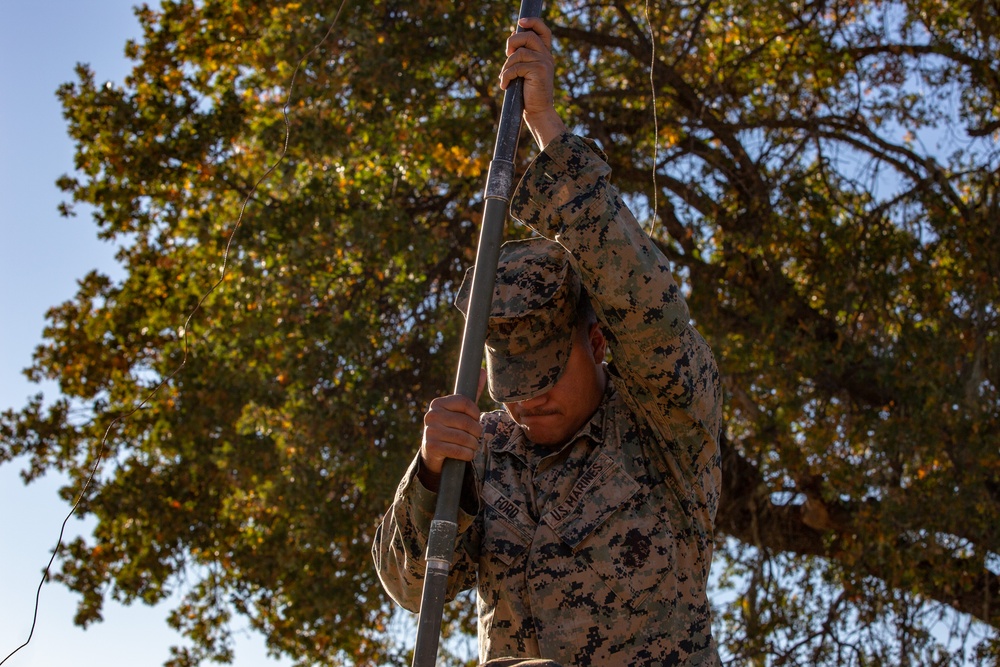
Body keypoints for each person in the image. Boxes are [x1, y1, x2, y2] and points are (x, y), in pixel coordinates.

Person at [372, 17, 722, 667]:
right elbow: (412, 587)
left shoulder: (666, 422)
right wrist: (430, 472)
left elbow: (649, 305)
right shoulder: (488, 450)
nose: (526, 402)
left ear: (596, 340)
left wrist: (546, 127)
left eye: (544, 375)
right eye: (512, 383)